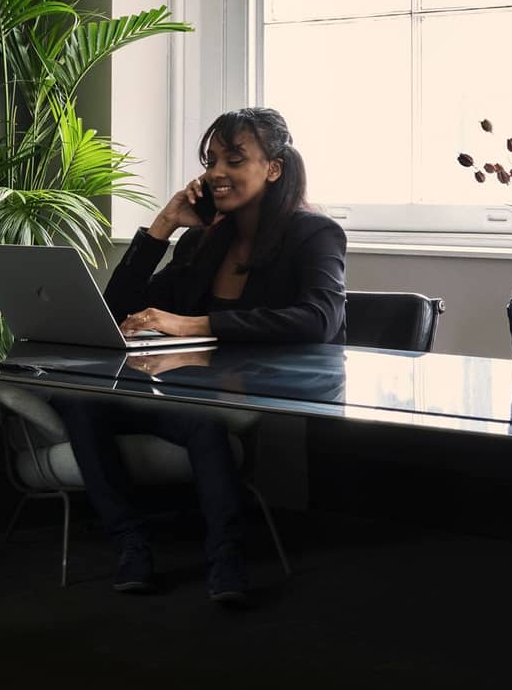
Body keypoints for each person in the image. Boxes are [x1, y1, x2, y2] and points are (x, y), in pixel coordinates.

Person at [51, 107, 347, 606]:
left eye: (235, 159)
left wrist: (194, 324)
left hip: (252, 384)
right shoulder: (205, 239)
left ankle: (227, 557)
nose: (216, 173)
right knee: (78, 399)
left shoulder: (313, 233)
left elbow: (319, 318)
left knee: (202, 422)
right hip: (182, 384)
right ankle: (130, 543)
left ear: (273, 168)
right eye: (211, 160)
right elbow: (121, 309)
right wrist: (162, 226)